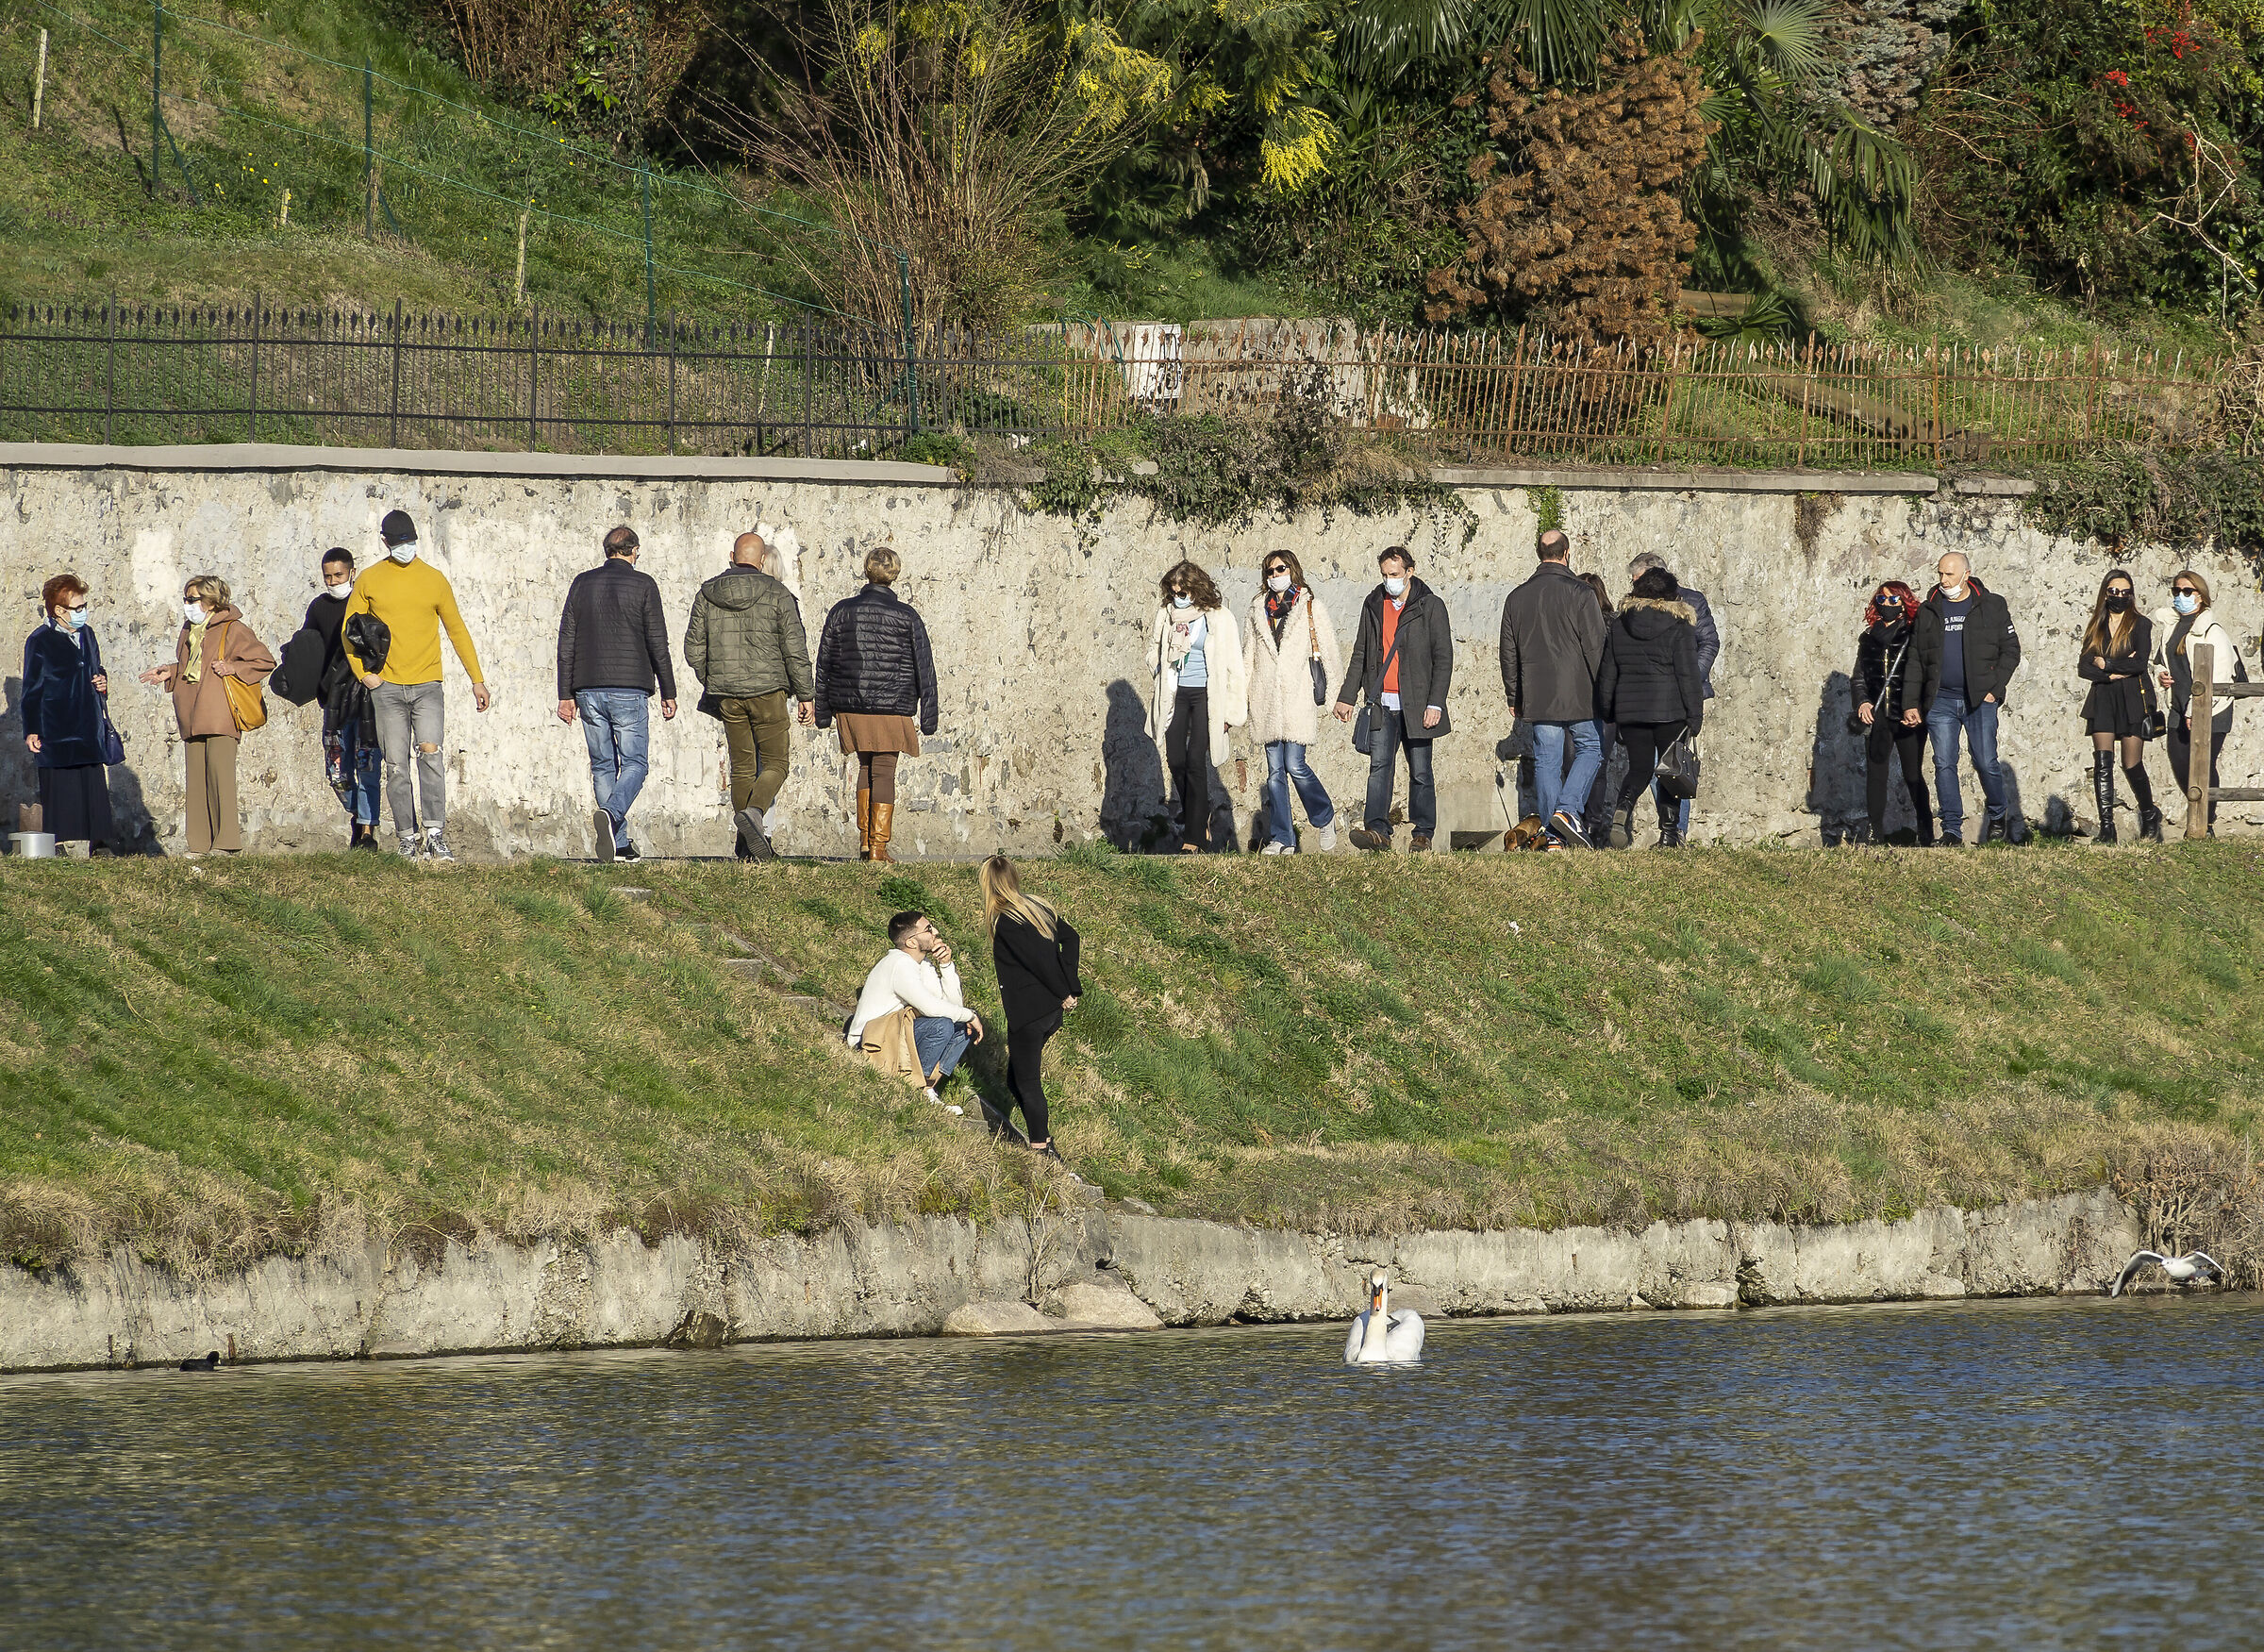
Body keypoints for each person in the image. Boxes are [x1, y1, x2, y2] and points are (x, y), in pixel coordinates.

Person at [341, 509, 491, 863]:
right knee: (395, 765)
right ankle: (407, 837)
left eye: (409, 542)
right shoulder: (370, 579)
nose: (405, 548)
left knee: (431, 754)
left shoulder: (434, 580)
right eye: (398, 543)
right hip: (388, 687)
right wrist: (365, 675)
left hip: (427, 685)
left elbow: (457, 630)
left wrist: (477, 679)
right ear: (385, 543)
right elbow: (349, 630)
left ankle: (435, 833)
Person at [685, 532, 814, 862]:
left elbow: (693, 648)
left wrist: (713, 679)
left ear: (732, 556)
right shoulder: (777, 593)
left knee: (743, 769)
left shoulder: (707, 593)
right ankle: (755, 813)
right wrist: (805, 694)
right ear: (761, 561)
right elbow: (794, 649)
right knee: (776, 764)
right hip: (768, 691)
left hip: (728, 694)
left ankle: (745, 846)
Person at [555, 525, 677, 864]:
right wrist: (669, 690)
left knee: (603, 765)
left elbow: (567, 641)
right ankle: (612, 814)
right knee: (636, 764)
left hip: (588, 689)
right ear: (633, 550)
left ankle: (619, 845)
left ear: (607, 550)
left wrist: (565, 693)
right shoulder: (644, 584)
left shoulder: (581, 583)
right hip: (629, 688)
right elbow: (658, 643)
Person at [814, 547, 939, 863]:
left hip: (851, 705)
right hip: (892, 705)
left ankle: (866, 843)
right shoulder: (907, 615)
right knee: (883, 771)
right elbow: (924, 666)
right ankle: (879, 848)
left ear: (867, 571)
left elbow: (824, 662)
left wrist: (823, 709)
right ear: (894, 574)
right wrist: (929, 715)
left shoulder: (841, 611)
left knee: (865, 767)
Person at [138, 575, 275, 858]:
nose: (187, 605)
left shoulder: (233, 629)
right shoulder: (190, 630)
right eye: (185, 599)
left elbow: (264, 661)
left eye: (192, 599)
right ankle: (199, 845)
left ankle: (225, 843)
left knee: (219, 776)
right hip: (191, 711)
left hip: (220, 712)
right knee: (196, 779)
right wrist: (171, 672)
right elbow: (192, 669)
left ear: (211, 602)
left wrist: (234, 668)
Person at [1333, 545, 1454, 852]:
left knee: (1421, 771)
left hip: (1418, 705)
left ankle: (1423, 833)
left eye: (1395, 574)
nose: (1389, 580)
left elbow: (1443, 658)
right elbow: (1360, 653)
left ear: (1409, 572)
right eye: (1385, 574)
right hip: (1382, 703)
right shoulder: (1373, 604)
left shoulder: (1430, 606)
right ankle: (1377, 832)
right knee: (1379, 768)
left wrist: (1435, 703)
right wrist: (1347, 697)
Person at [1498, 529, 1604, 847]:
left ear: (1538, 554)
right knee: (1591, 748)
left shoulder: (1517, 597)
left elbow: (1508, 652)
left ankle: (1552, 836)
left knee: (1546, 761)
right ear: (1566, 552)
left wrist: (1514, 694)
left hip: (1538, 692)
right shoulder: (1581, 593)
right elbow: (1596, 647)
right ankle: (1568, 811)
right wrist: (1606, 691)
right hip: (1580, 691)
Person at [1916, 550, 2023, 846]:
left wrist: (1995, 689)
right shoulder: (1930, 609)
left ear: (1966, 574)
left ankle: (1998, 813)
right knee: (1944, 763)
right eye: (1940, 573)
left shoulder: (1992, 605)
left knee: (1985, 761)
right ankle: (1951, 830)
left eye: (1949, 574)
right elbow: (1917, 658)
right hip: (1941, 701)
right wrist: (1914, 702)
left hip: (1980, 700)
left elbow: (2011, 651)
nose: (1943, 580)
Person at [982, 855, 1083, 1163]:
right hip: (1048, 1011)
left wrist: (1065, 990)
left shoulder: (1007, 920)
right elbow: (1072, 938)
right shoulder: (1036, 906)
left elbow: (1038, 961)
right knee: (1016, 1079)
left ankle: (1041, 1149)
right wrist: (1069, 984)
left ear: (988, 884)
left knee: (1027, 1082)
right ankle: (1046, 1140)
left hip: (1030, 1012)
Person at [1596, 567, 1703, 848]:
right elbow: (1688, 675)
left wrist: (1608, 712)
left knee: (1639, 768)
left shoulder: (1619, 626)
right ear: (1670, 595)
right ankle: (1669, 835)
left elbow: (1608, 673)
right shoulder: (1679, 627)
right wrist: (1695, 716)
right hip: (1670, 711)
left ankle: (1623, 807)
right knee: (1670, 772)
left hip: (1631, 712)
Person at [1240, 550, 1339, 855]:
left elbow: (1330, 653)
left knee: (1295, 764)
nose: (1274, 575)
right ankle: (1283, 837)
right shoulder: (1258, 610)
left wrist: (1337, 698)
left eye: (1280, 569)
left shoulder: (1310, 607)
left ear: (1292, 570)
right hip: (1266, 701)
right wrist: (1240, 701)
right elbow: (1249, 658)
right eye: (1269, 571)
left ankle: (1324, 816)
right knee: (1273, 772)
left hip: (1297, 699)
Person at [1147, 560, 1248, 854]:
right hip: (1175, 692)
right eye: (1174, 590)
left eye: (1184, 590)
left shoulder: (1218, 617)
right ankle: (1199, 812)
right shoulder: (1166, 615)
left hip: (1207, 695)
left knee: (1195, 760)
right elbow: (1154, 648)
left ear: (1197, 588)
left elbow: (1233, 666)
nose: (1179, 595)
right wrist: (1158, 671)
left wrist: (1230, 712)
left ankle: (1194, 837)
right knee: (1176, 759)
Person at [845, 909, 984, 1110]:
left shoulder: (922, 965)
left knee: (961, 1027)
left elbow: (953, 1007)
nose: (935, 932)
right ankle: (915, 1088)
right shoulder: (898, 963)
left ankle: (927, 1088)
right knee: (941, 1025)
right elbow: (930, 1007)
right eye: (928, 929)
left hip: (895, 1038)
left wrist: (946, 966)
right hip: (871, 1043)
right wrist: (971, 1015)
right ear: (911, 942)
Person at [21, 574, 118, 854]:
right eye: (77, 608)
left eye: (84, 606)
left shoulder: (87, 634)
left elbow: (95, 667)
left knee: (92, 782)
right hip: (57, 724)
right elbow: (31, 689)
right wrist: (32, 729)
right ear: (59, 610)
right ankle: (61, 842)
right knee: (61, 785)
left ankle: (99, 843)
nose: (82, 613)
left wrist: (101, 679)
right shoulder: (39, 641)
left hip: (87, 722)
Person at [1629, 552, 1719, 841]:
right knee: (1657, 764)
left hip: (1682, 695)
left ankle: (1675, 831)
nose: (1633, 587)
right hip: (1652, 696)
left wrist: (1690, 679)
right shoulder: (1636, 609)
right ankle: (1669, 829)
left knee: (1674, 764)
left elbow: (1709, 641)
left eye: (1637, 580)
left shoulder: (1692, 601)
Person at [2154, 569, 2243, 836]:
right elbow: (2160, 660)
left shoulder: (2213, 631)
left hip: (2213, 711)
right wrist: (2160, 674)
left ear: (2201, 596)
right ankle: (2201, 815)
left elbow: (2219, 675)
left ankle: (2206, 823)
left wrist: (2198, 711)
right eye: (2176, 591)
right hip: (2177, 707)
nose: (2181, 596)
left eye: (2187, 591)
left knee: (2203, 766)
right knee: (2179, 762)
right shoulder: (2170, 628)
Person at [2078, 569, 2159, 843]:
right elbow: (2084, 667)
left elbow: (2140, 663)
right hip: (2103, 696)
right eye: (2114, 591)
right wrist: (2107, 673)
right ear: (2105, 593)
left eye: (2125, 592)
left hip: (2133, 696)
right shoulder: (2097, 626)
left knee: (2131, 762)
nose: (2119, 597)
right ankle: (2106, 828)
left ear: (2131, 594)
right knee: (2102, 762)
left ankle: (2150, 815)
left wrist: (2108, 663)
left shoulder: (2141, 624)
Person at [308, 549, 383, 849]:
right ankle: (357, 814)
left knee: (367, 764)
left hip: (366, 698)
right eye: (327, 576)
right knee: (336, 770)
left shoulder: (366, 605)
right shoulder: (318, 607)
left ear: (352, 572)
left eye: (338, 575)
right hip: (334, 700)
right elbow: (309, 648)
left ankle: (366, 832)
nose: (332, 581)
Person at [1855, 580, 1937, 846]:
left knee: (1913, 774)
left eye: (1893, 600)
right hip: (1878, 715)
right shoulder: (1868, 637)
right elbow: (1859, 677)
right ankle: (1874, 832)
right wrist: (1863, 702)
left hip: (1907, 716)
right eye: (1882, 600)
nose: (1887, 605)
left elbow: (1925, 673)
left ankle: (1926, 831)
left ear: (1904, 603)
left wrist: (1919, 709)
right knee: (1876, 774)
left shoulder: (1913, 634)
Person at [1575, 572, 1617, 847]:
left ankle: (1581, 822)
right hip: (1605, 703)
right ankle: (1593, 826)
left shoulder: (1574, 623)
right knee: (1596, 765)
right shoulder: (1614, 625)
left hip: (1583, 702)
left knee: (1577, 764)